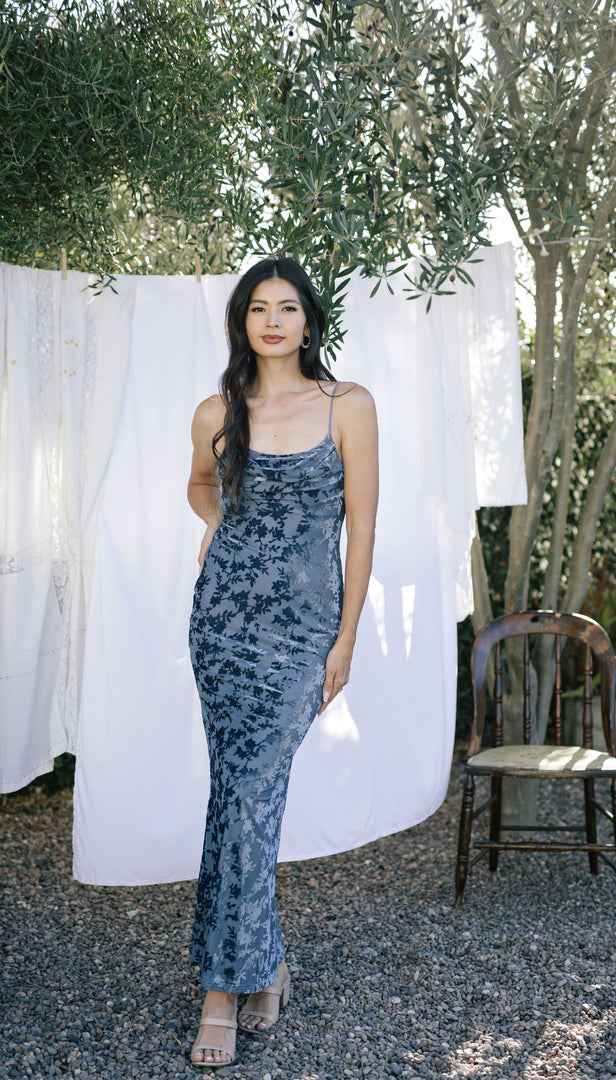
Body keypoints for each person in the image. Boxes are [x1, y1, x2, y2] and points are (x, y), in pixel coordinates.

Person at [186, 257, 378, 1067]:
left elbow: (361, 530)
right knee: (239, 797)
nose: (273, 320)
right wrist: (220, 526)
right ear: (242, 321)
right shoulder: (216, 411)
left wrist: (346, 638)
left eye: (288, 307)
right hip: (223, 627)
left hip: (303, 636)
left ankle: (229, 985)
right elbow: (200, 487)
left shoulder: (347, 405)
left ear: (308, 321)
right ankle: (246, 976)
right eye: (258, 308)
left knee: (249, 794)